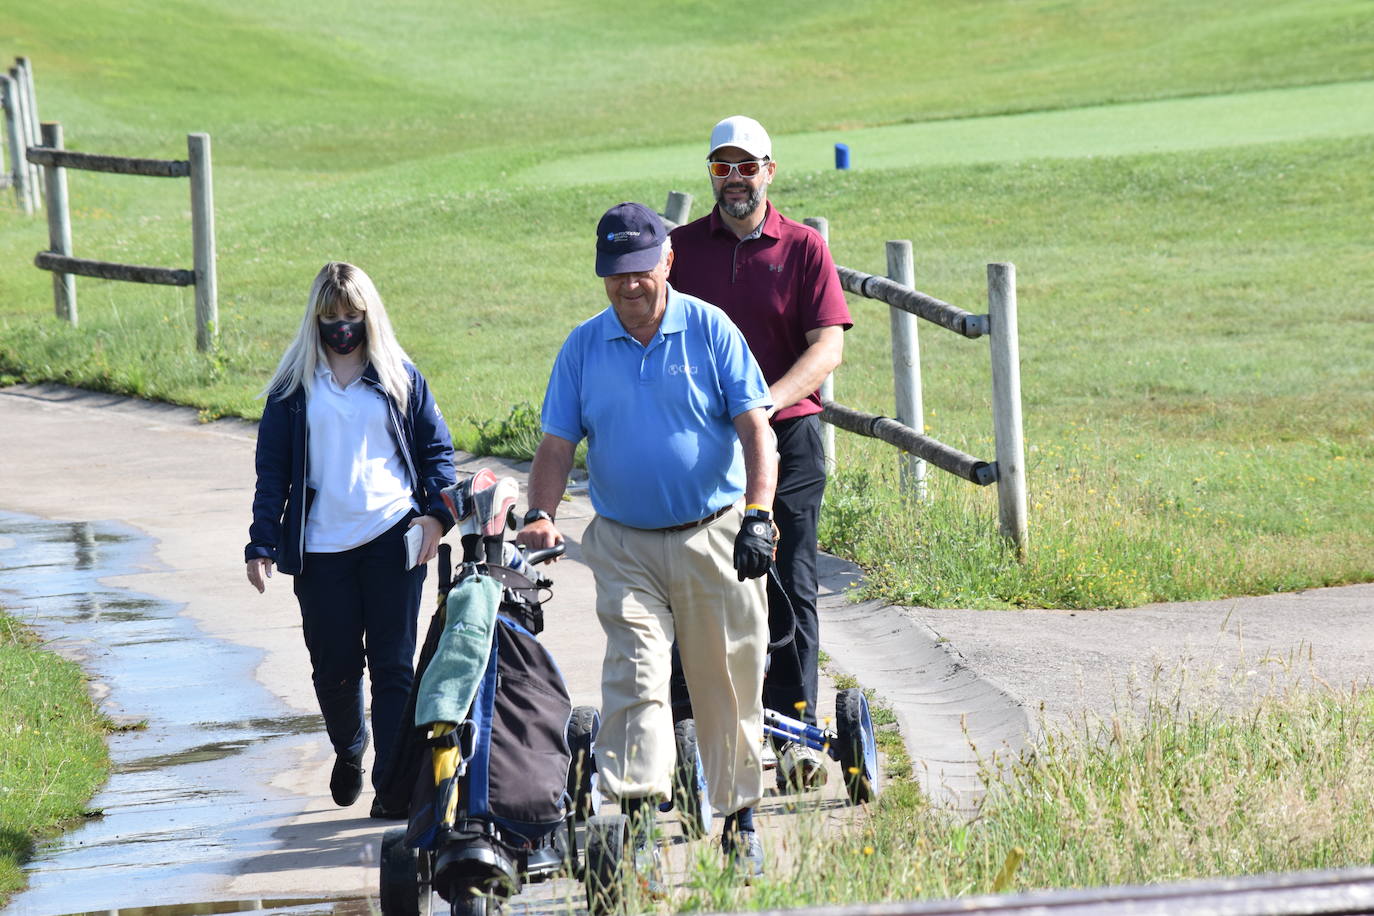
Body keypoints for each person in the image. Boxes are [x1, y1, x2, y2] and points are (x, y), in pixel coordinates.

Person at [515, 202, 776, 881]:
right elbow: (555, 444)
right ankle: (635, 825)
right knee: (633, 673)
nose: (628, 286)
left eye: (639, 270)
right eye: (614, 274)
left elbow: (757, 431)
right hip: (625, 544)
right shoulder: (583, 346)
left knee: (727, 677)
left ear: (666, 261)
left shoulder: (710, 330)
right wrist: (540, 513)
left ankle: (740, 820)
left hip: (713, 533)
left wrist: (758, 514)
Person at [668, 115, 853, 792]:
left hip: (790, 437)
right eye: (722, 167)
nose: (735, 180)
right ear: (711, 174)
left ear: (769, 171)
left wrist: (767, 403)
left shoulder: (803, 248)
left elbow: (828, 345)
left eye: (747, 167)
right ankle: (692, 728)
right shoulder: (680, 250)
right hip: (703, 443)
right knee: (694, 582)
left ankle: (794, 726)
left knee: (789, 579)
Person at [244, 261, 457, 819]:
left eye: (352, 316)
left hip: (392, 537)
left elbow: (439, 456)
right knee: (334, 668)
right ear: (315, 320)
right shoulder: (293, 390)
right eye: (331, 317)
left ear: (369, 317)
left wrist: (435, 517)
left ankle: (391, 785)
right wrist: (261, 542)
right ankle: (350, 746)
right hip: (321, 551)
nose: (342, 326)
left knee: (394, 667)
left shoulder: (399, 378)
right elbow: (273, 473)